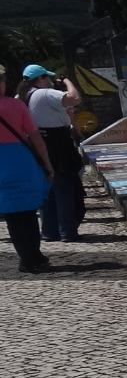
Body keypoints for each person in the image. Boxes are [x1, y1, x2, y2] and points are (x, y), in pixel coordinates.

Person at [19, 64, 84, 242]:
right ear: (40, 79)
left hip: (39, 143)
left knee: (49, 190)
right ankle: (68, 231)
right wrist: (67, 81)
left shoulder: (22, 96)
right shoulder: (44, 93)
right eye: (47, 78)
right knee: (66, 189)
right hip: (58, 143)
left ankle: (50, 230)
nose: (50, 81)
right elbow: (74, 98)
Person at [0, 69, 55, 273]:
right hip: (21, 162)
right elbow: (36, 138)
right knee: (29, 213)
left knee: (12, 217)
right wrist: (48, 165)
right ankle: (34, 255)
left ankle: (26, 257)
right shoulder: (16, 105)